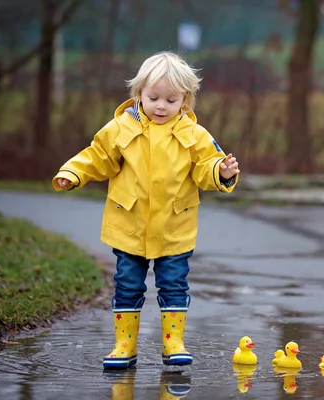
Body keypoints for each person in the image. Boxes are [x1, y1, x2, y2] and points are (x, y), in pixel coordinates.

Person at [51, 51, 239, 369]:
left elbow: (206, 165)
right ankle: (124, 345)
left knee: (175, 284)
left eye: (171, 99)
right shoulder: (120, 129)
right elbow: (98, 156)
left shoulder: (194, 135)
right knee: (127, 283)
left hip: (174, 227)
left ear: (185, 100)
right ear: (138, 93)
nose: (161, 106)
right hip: (130, 225)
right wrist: (73, 172)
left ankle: (174, 342)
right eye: (154, 98)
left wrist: (222, 172)